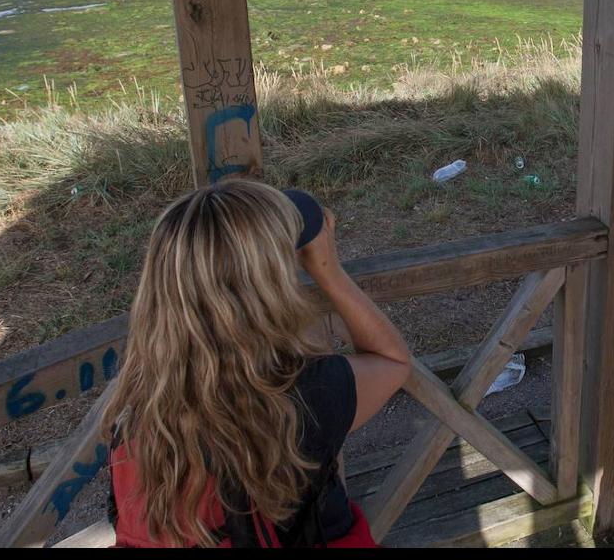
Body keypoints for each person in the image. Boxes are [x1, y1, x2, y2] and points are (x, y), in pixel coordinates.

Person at [103, 180, 411, 548]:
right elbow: (391, 361)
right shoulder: (303, 397)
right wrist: (329, 270)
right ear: (268, 287)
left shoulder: (139, 411)